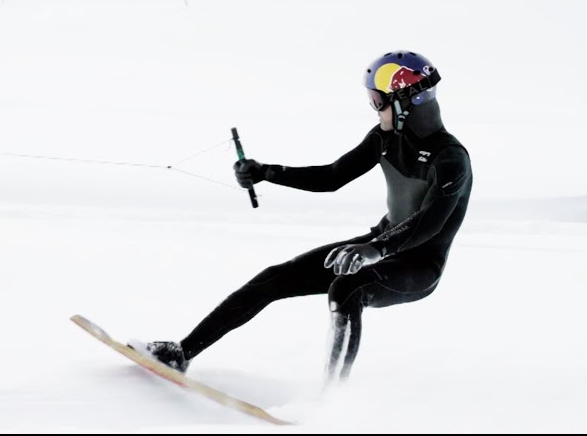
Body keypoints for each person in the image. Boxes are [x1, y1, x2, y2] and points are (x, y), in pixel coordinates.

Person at [138, 51, 473, 380]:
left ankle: (329, 406)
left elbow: (431, 222)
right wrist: (267, 172)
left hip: (419, 265)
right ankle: (181, 354)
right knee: (274, 278)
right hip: (377, 244)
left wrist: (375, 249)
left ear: (405, 102)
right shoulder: (384, 139)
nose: (374, 109)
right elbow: (331, 177)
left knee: (347, 290)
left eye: (377, 101)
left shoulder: (451, 159)